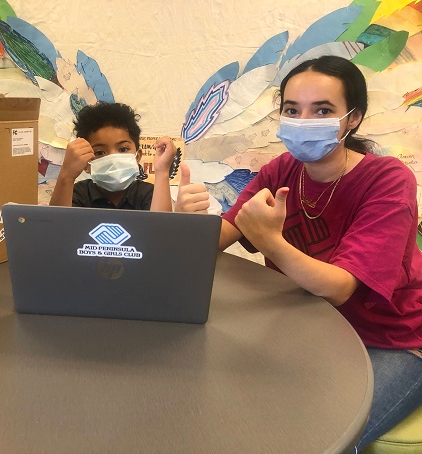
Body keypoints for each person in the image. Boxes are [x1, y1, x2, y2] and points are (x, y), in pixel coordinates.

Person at [175, 55, 422, 451]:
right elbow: (218, 238)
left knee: (329, 439)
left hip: (391, 337)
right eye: (292, 110)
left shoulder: (388, 180)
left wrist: (272, 242)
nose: (304, 121)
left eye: (322, 110)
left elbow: (341, 288)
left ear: (353, 118)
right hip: (312, 327)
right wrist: (186, 219)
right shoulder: (281, 170)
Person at [49, 102, 177, 211]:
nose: (113, 160)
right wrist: (66, 175)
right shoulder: (78, 193)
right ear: (86, 164)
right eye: (99, 153)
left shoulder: (149, 193)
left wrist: (162, 172)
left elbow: (160, 231)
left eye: (122, 149)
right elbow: (56, 230)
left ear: (137, 157)